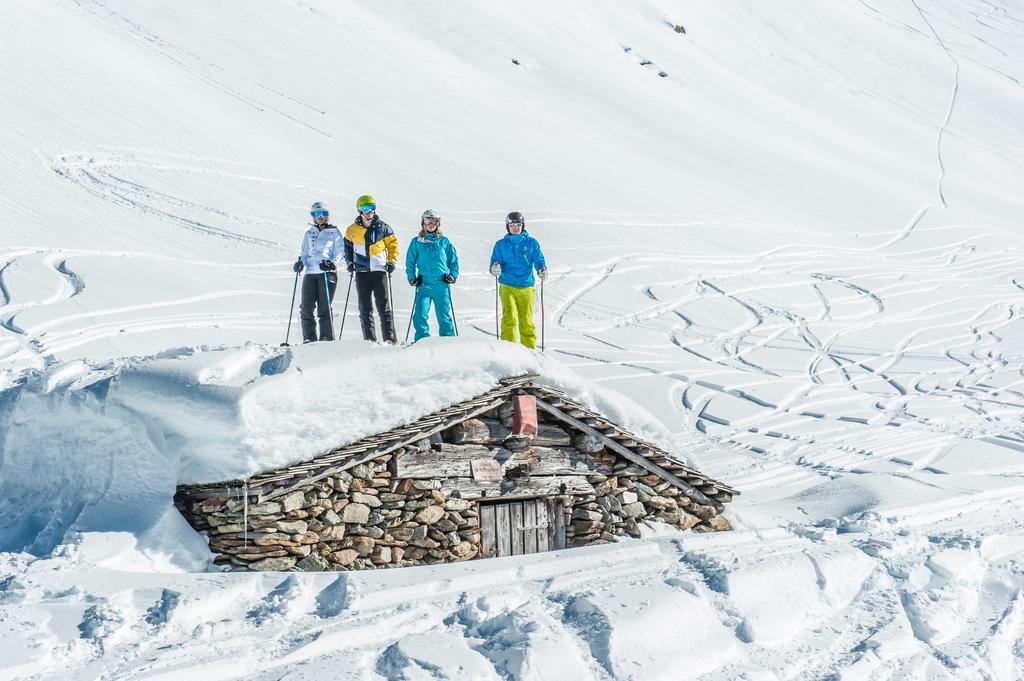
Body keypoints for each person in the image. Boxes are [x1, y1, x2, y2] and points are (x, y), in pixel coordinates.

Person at [343, 195, 399, 343]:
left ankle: (390, 340)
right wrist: (349, 263)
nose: (370, 212)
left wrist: (391, 262)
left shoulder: (384, 227)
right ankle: (369, 341)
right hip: (361, 273)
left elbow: (393, 246)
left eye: (372, 208)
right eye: (366, 208)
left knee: (384, 308)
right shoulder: (351, 230)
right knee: (365, 309)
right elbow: (347, 249)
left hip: (379, 271)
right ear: (359, 210)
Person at [489, 211, 547, 349]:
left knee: (526, 319)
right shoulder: (501, 245)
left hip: (526, 286)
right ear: (507, 227)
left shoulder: (531, 243)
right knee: (510, 318)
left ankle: (530, 351)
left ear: (523, 226)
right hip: (507, 285)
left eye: (518, 225)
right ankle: (509, 350)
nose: (515, 228)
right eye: (512, 225)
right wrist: (494, 269)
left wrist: (542, 269)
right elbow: (495, 262)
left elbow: (538, 259)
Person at [405, 209, 459, 341]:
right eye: (428, 221)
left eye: (434, 221)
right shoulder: (417, 242)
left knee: (444, 316)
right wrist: (412, 277)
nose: (431, 224)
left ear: (438, 223)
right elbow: (410, 261)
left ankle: (448, 341)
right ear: (423, 223)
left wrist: (453, 275)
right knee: (420, 315)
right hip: (424, 284)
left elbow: (453, 261)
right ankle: (422, 340)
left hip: (442, 283)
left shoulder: (444, 241)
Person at [294, 201, 343, 342]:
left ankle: (326, 338)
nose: (321, 217)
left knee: (324, 308)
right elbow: (304, 253)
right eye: (317, 214)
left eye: (324, 214)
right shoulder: (309, 233)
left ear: (327, 216)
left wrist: (331, 263)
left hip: (327, 273)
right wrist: (300, 263)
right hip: (310, 274)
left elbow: (341, 252)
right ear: (313, 216)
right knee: (306, 307)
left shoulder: (334, 232)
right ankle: (309, 338)